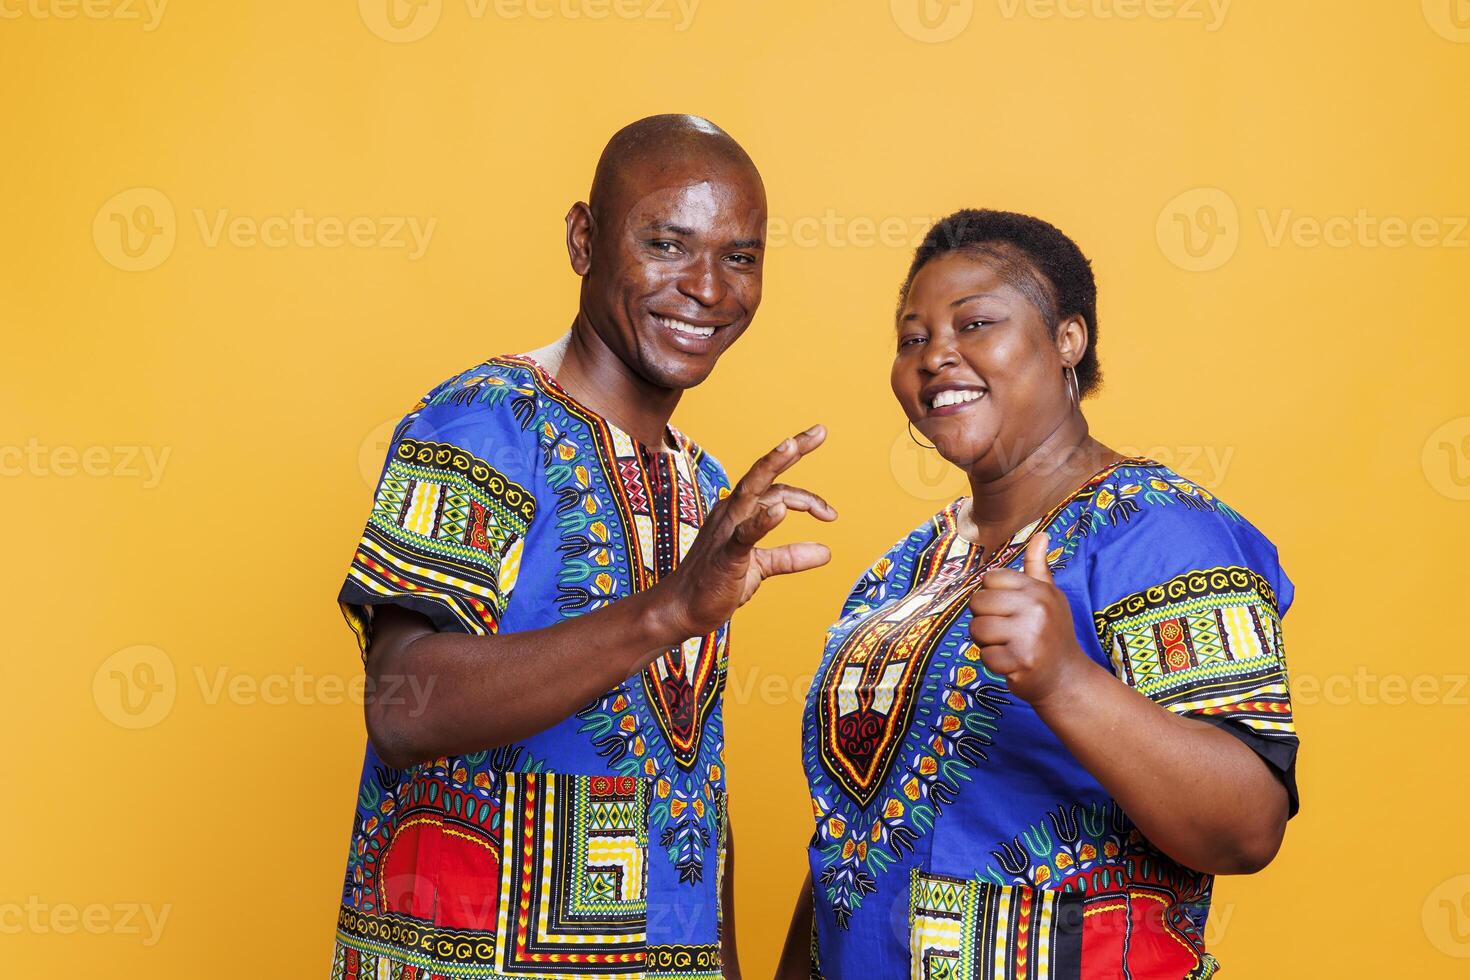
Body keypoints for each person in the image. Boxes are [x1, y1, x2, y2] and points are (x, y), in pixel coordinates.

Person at [330, 114, 837, 980]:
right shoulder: (484, 422)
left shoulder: (707, 488)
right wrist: (669, 610)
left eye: (740, 257)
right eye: (668, 244)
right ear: (584, 239)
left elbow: (688, 797)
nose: (710, 289)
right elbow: (405, 706)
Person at [778, 209, 1298, 979]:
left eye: (975, 323)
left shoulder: (1160, 531)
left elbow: (1247, 825)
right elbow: (855, 843)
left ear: (1067, 341)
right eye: (912, 338)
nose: (935, 357)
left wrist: (1064, 680)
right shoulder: (901, 572)